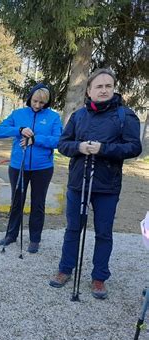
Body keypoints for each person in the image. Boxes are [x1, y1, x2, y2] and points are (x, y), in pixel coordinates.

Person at [49, 68, 142, 299]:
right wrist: (79, 147)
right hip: (78, 182)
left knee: (104, 233)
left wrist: (103, 149)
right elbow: (63, 144)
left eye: (107, 86)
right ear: (89, 91)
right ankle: (65, 269)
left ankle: (99, 277)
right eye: (98, 86)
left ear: (113, 89)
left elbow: (134, 147)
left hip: (107, 186)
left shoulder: (124, 115)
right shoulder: (78, 115)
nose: (103, 90)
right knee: (72, 228)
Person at [0, 84, 62, 253]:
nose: (38, 105)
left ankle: (34, 239)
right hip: (18, 166)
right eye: (35, 101)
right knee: (16, 201)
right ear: (30, 98)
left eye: (42, 103)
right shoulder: (18, 114)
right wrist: (19, 130)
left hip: (43, 168)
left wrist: (36, 139)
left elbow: (58, 141)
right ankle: (11, 235)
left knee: (38, 204)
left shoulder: (53, 117)